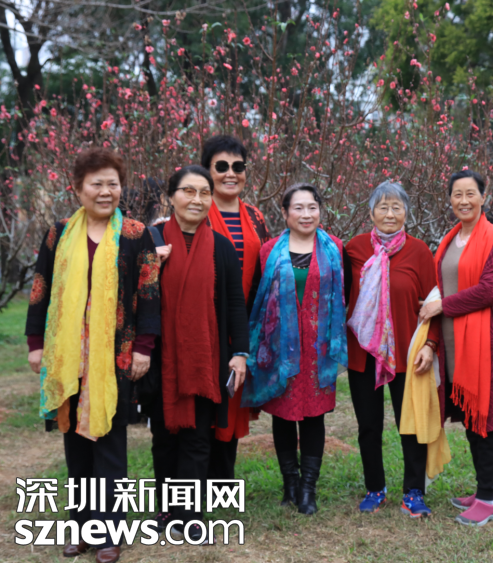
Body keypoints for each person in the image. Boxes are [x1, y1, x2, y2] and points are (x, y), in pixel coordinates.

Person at [25, 148, 160, 563]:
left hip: (115, 357)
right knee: (76, 443)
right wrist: (36, 343)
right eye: (96, 184)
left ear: (121, 188)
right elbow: (41, 288)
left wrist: (143, 348)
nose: (105, 191)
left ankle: (109, 533)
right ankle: (81, 527)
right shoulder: (59, 233)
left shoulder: (136, 234)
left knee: (109, 444)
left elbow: (149, 294)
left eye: (112, 184)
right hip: (68, 356)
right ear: (78, 188)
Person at [145, 165, 249, 541]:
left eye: (204, 192)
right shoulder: (151, 239)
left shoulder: (221, 246)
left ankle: (189, 516)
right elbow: (132, 295)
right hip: (161, 358)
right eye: (188, 191)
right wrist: (150, 265)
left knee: (198, 437)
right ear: (171, 197)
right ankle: (166, 509)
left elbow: (235, 303)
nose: (197, 199)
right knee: (164, 436)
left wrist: (240, 352)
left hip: (206, 357)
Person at [419, 170, 493, 527]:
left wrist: (443, 306)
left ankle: (489, 498)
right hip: (454, 346)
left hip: (485, 345)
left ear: (483, 197)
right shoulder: (449, 240)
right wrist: (432, 339)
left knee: (485, 421)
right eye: (457, 194)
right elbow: (439, 291)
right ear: (450, 198)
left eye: (470, 193)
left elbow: (491, 290)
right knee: (472, 420)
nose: (464, 200)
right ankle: (485, 490)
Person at [243, 183, 346, 516]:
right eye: (298, 208)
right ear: (285, 213)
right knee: (283, 414)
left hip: (318, 350)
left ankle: (307, 489)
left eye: (312, 207)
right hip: (279, 348)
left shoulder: (334, 248)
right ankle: (289, 484)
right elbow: (258, 299)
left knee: (314, 415)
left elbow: (345, 296)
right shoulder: (268, 251)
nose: (306, 214)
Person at [344, 181, 441, 517]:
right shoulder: (354, 249)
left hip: (408, 354)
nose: (389, 213)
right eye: (382, 207)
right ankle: (375, 487)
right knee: (368, 425)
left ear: (406, 213)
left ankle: (413, 491)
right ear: (371, 212)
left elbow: (434, 303)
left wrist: (431, 345)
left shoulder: (419, 251)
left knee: (410, 424)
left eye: (396, 207)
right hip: (363, 354)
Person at [201, 135, 271, 481]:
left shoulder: (255, 217)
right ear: (207, 171)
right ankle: (194, 480)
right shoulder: (195, 212)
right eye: (222, 166)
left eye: (238, 166)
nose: (231, 173)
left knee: (230, 397)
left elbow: (266, 269)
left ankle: (222, 478)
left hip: (243, 325)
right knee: (202, 400)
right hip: (203, 325)